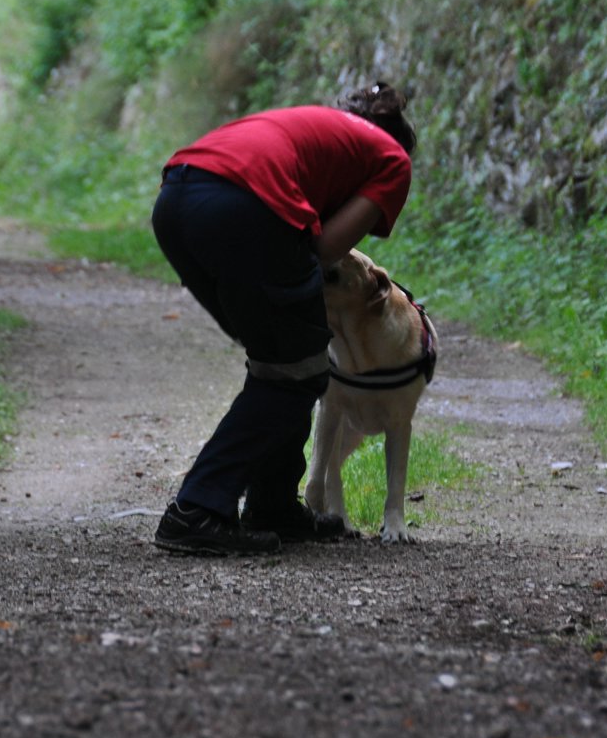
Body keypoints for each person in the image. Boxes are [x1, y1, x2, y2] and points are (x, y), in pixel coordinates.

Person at [150, 82, 417, 556]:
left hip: (176, 200)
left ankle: (272, 506)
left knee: (285, 357)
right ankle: (197, 509)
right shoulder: (392, 158)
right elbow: (327, 250)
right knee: (299, 368)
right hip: (243, 209)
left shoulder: (321, 127)